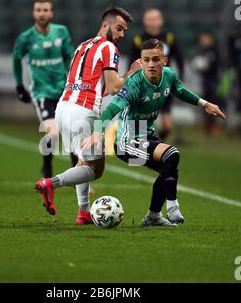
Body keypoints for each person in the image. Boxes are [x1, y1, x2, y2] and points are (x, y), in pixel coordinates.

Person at [82, 39, 226, 226]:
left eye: (155, 59)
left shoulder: (169, 75)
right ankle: (172, 206)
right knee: (171, 154)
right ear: (140, 62)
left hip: (147, 133)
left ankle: (153, 216)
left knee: (168, 168)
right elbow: (113, 108)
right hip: (127, 141)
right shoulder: (134, 84)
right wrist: (97, 131)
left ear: (164, 61)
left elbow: (180, 91)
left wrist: (205, 104)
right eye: (146, 60)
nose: (151, 64)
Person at [34, 7, 142, 224]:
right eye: (119, 29)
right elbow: (113, 87)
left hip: (63, 108)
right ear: (105, 25)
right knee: (95, 169)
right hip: (84, 111)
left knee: (83, 161)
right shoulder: (109, 48)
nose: (121, 34)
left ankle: (83, 212)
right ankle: (50, 183)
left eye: (124, 31)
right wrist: (131, 72)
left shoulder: (82, 45)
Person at [13, 0, 78, 178]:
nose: (42, 13)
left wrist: (73, 81)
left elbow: (70, 58)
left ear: (51, 13)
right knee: (53, 131)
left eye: (45, 10)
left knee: (72, 133)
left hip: (63, 91)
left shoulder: (61, 32)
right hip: (41, 93)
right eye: (38, 10)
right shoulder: (26, 37)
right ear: (34, 13)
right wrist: (19, 85)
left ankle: (77, 176)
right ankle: (47, 168)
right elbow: (16, 59)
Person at [129, 8, 184, 141]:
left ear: (161, 21)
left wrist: (181, 76)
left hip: (164, 85)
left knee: (167, 125)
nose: (153, 22)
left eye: (156, 19)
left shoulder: (169, 37)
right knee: (142, 121)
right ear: (145, 21)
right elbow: (132, 63)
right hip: (145, 86)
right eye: (150, 19)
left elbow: (179, 58)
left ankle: (155, 143)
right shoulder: (138, 40)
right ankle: (138, 145)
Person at [191, 32, 221, 135]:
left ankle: (213, 125)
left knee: (213, 103)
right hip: (203, 81)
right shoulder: (200, 50)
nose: (204, 41)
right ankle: (206, 125)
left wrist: (205, 66)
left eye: (206, 38)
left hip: (213, 81)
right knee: (204, 103)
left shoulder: (214, 51)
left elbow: (214, 66)